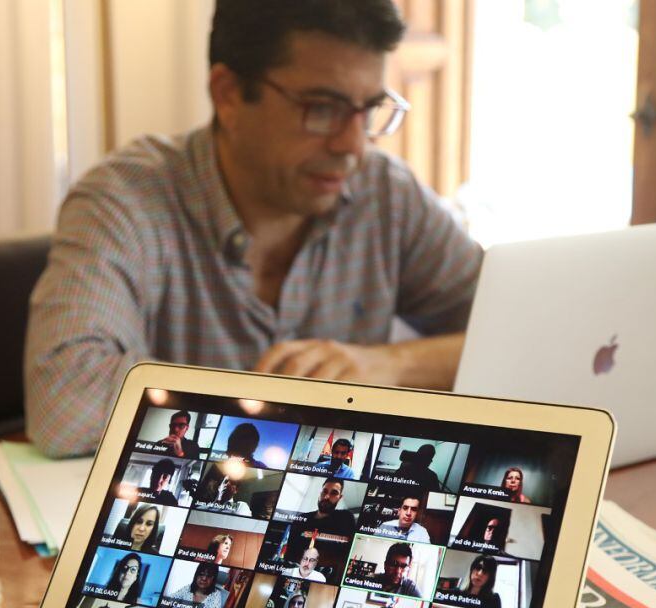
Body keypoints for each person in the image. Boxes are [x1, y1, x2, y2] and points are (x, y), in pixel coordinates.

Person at [25, 0, 483, 458]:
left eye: (368, 110)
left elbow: (526, 341)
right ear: (228, 94)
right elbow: (64, 409)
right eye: (322, 108)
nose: (353, 145)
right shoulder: (126, 200)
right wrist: (283, 395)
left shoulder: (387, 195)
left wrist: (392, 366)